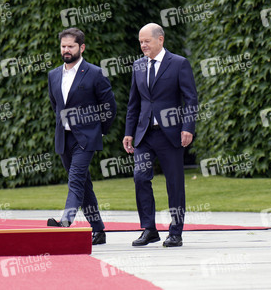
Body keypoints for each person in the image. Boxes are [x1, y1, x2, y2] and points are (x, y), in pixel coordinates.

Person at [123, 23, 198, 247]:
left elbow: (191, 99)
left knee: (174, 184)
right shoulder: (137, 66)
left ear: (160, 40)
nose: (143, 45)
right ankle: (149, 229)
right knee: (140, 178)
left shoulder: (178, 64)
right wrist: (129, 133)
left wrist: (188, 127)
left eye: (147, 41)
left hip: (171, 134)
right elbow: (133, 103)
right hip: (144, 135)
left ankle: (176, 232)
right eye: (140, 42)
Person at [47, 28, 117, 245]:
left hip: (86, 138)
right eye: (63, 46)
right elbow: (55, 104)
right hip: (64, 138)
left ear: (81, 47)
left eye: (71, 46)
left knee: (75, 180)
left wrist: (99, 130)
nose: (66, 50)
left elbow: (109, 107)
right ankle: (98, 230)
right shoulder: (54, 74)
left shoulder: (95, 73)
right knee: (84, 185)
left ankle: (65, 222)